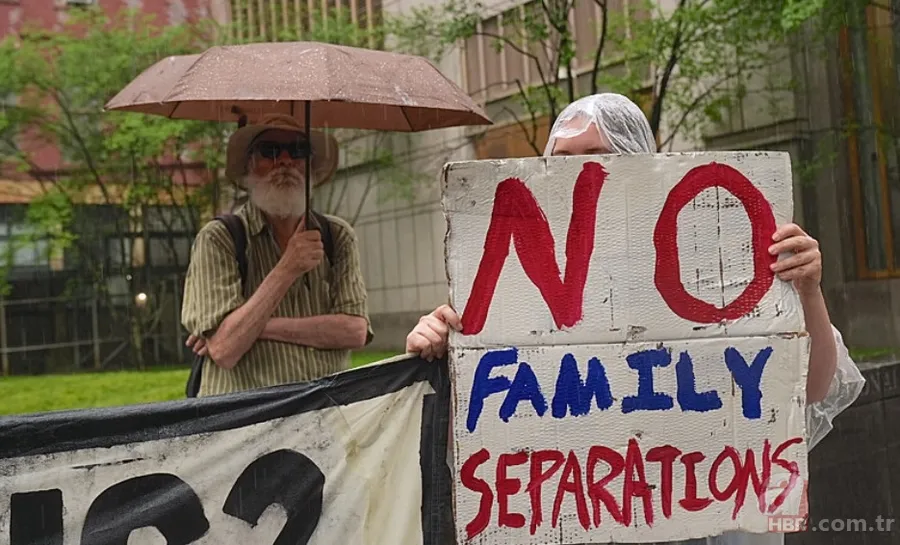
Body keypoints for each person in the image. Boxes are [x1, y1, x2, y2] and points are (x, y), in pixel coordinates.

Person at [405, 93, 865, 545]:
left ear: (638, 161)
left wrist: (807, 289)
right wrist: (435, 355)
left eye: (596, 154)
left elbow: (814, 387)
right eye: (561, 157)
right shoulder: (510, 282)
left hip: (699, 513)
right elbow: (476, 430)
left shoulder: (717, 257)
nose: (577, 170)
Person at [182, 113, 373, 397]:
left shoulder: (337, 235)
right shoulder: (219, 238)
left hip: (324, 418)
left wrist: (254, 327)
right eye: (269, 150)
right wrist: (287, 268)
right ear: (249, 166)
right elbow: (225, 350)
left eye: (298, 150)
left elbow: (355, 331)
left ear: (311, 166)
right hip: (244, 424)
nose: (284, 161)